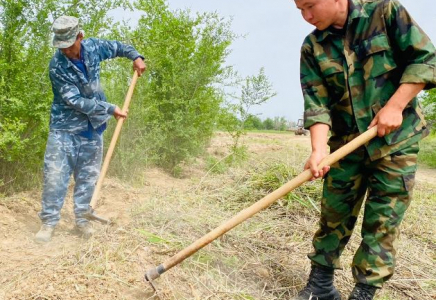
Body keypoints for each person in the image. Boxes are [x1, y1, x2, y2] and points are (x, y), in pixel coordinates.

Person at [293, 0, 436, 299]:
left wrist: (395, 107)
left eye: (310, 6)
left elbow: (426, 59)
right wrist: (318, 150)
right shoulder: (312, 47)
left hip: (396, 143)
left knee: (382, 221)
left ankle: (364, 292)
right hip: (346, 146)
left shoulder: (384, 12)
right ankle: (320, 287)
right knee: (334, 212)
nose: (306, 16)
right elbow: (316, 105)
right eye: (300, 10)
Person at [35, 16, 146, 243]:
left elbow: (118, 47)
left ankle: (82, 220)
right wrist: (109, 108)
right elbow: (75, 101)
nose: (65, 50)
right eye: (61, 45)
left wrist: (135, 56)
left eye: (69, 44)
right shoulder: (57, 66)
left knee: (88, 177)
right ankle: (49, 222)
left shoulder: (93, 47)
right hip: (65, 129)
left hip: (93, 128)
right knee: (56, 176)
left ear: (80, 37)